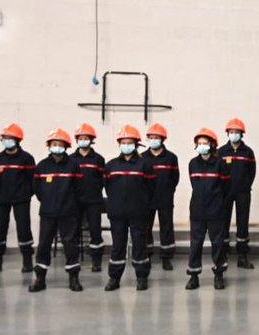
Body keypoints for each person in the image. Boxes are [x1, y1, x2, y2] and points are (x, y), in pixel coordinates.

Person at [104, 125, 156, 292]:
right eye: (123, 142)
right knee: (118, 246)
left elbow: (151, 187)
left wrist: (143, 205)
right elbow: (107, 187)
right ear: (119, 144)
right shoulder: (111, 165)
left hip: (139, 213)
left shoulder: (145, 165)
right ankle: (114, 278)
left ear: (136, 144)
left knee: (140, 245)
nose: (126, 145)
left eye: (129, 142)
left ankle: (141, 277)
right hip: (117, 213)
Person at [30, 128, 83, 293]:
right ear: (49, 146)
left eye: (60, 144)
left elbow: (79, 189)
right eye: (54, 144)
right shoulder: (42, 166)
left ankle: (73, 278)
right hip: (47, 212)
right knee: (44, 245)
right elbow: (37, 190)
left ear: (66, 146)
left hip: (68, 213)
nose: (57, 147)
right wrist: (48, 202)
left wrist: (69, 204)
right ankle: (40, 278)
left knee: (70, 244)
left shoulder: (73, 166)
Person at [186, 128, 231, 290]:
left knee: (217, 243)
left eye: (204, 143)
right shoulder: (192, 164)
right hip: (197, 210)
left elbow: (226, 187)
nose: (201, 146)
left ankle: (219, 274)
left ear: (212, 145)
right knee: (195, 244)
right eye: (199, 143)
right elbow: (195, 186)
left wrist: (218, 203)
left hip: (215, 211)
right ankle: (193, 276)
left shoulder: (220, 164)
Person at [0, 122, 36, 273]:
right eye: (4, 138)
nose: (6, 140)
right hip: (1, 200)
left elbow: (33, 180)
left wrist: (26, 194)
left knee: (24, 229)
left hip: (21, 199)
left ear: (17, 140)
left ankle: (27, 259)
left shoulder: (26, 159)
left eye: (9, 138)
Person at [218, 118, 257, 269]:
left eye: (237, 132)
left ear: (242, 134)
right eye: (231, 132)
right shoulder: (221, 152)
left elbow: (251, 172)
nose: (234, 134)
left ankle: (242, 256)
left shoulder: (248, 152)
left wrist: (245, 186)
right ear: (227, 134)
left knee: (243, 224)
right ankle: (223, 253)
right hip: (225, 193)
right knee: (223, 223)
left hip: (243, 193)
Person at [144, 123, 180, 271]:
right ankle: (147, 255)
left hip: (165, 198)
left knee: (166, 227)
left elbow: (175, 178)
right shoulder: (143, 157)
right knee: (146, 227)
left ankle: (166, 257)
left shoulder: (171, 158)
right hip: (147, 199)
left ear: (162, 139)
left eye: (156, 138)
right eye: (151, 138)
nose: (153, 140)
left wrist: (168, 191)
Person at [71, 123, 106, 272]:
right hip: (74, 202)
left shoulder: (98, 159)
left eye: (86, 138)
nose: (83, 140)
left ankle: (96, 260)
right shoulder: (71, 159)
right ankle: (73, 260)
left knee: (95, 231)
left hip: (94, 201)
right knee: (73, 231)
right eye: (80, 138)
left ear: (91, 140)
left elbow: (103, 180)